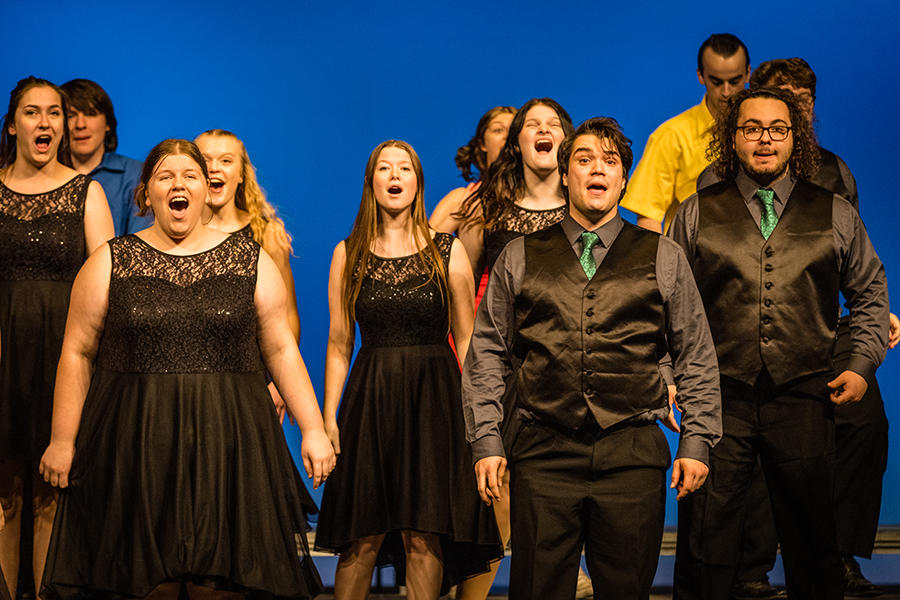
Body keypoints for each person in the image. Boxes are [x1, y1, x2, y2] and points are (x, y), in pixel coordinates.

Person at [38, 139, 335, 600]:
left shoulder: (248, 259)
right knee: (146, 582)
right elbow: (76, 352)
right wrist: (62, 440)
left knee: (219, 583)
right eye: (165, 176)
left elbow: (280, 348)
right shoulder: (109, 262)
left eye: (190, 176)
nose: (179, 184)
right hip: (136, 445)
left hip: (228, 444)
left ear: (205, 190)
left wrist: (313, 430)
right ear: (146, 193)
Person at [463, 117, 722, 600]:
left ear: (624, 178)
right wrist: (486, 441)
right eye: (583, 160)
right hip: (543, 451)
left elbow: (696, 355)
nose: (596, 169)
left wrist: (698, 441)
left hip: (632, 452)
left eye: (610, 161)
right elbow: (487, 357)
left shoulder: (663, 254)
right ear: (565, 175)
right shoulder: (518, 255)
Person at [669, 88, 889, 600]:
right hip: (718, 402)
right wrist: (668, 376)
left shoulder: (834, 212)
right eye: (751, 128)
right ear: (733, 137)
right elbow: (663, 308)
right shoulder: (695, 212)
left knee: (815, 547)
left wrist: (860, 363)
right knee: (705, 547)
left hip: (805, 399)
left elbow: (872, 294)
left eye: (777, 129)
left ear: (795, 139)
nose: (764, 139)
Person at [315, 140, 502, 600]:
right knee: (362, 535)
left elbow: (468, 339)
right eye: (385, 167)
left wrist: (480, 417)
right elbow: (340, 342)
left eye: (405, 168)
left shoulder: (447, 250)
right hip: (370, 400)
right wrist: (327, 419)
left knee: (426, 530)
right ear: (371, 181)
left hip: (435, 400)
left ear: (417, 182)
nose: (394, 175)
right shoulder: (349, 252)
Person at [453, 98, 583, 599]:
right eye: (534, 125)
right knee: (494, 488)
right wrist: (468, 355)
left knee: (553, 491)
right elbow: (459, 283)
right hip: (503, 366)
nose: (544, 131)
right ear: (518, 142)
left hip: (565, 367)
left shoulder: (586, 209)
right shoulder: (488, 207)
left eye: (555, 125)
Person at [0, 76, 114, 600]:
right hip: (4, 357)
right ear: (12, 125)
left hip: (59, 357)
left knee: (50, 489)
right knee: (4, 492)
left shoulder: (86, 193)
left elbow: (112, 286)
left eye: (54, 113)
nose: (45, 123)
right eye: (31, 113)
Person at [195, 129, 302, 422]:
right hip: (188, 382)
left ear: (241, 174)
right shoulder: (177, 235)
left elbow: (289, 317)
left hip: (248, 383)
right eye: (205, 160)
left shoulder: (266, 236)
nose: (215, 168)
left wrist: (280, 385)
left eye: (226, 161)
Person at [621, 33, 750, 233]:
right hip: (691, 259)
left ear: (748, 73)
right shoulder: (671, 136)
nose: (726, 91)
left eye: (735, 81)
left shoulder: (763, 135)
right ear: (701, 75)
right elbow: (649, 216)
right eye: (716, 81)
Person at [60, 79, 152, 235]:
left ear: (108, 123)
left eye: (90, 114)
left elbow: (141, 243)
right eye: (70, 116)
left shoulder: (136, 174)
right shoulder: (43, 177)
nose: (80, 124)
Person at [429, 105, 516, 235]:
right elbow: (422, 250)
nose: (507, 136)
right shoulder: (463, 201)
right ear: (482, 144)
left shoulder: (541, 199)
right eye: (498, 130)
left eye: (513, 131)